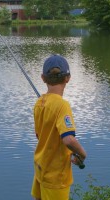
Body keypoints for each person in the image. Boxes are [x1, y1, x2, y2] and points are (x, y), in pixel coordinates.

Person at [31, 54, 87, 200]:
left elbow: (39, 135)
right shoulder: (62, 105)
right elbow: (68, 139)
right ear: (67, 78)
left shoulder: (39, 104)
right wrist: (82, 154)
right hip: (56, 176)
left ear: (43, 78)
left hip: (40, 167)